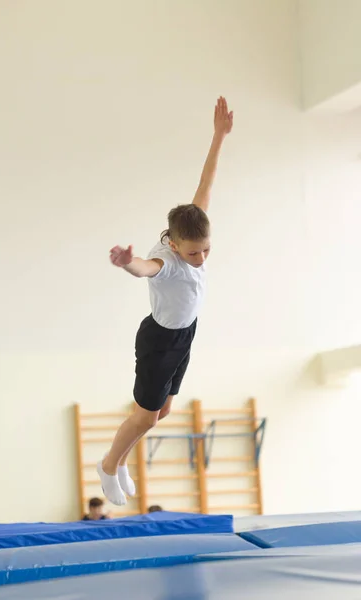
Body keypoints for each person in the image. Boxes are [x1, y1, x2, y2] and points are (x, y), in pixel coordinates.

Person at [97, 97, 234, 506]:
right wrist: (127, 264)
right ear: (174, 245)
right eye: (193, 253)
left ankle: (120, 459)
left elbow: (205, 184)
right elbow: (146, 268)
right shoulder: (169, 261)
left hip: (184, 333)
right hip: (159, 340)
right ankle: (108, 466)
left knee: (164, 412)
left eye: (205, 251)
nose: (200, 259)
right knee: (146, 415)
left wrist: (218, 136)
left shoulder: (190, 227)